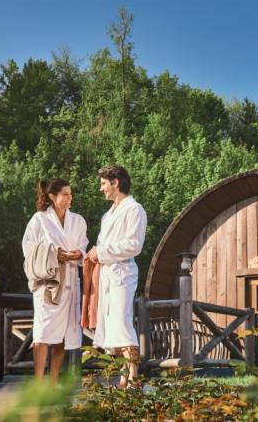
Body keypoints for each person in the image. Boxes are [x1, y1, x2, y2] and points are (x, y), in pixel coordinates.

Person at [86, 165, 147, 388]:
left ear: (116, 183)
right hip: (106, 276)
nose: (101, 188)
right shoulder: (107, 215)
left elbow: (134, 245)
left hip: (122, 274)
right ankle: (123, 377)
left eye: (103, 184)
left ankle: (134, 376)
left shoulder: (134, 210)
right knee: (112, 328)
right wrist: (95, 253)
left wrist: (101, 252)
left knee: (122, 323)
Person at [22, 178, 87, 384]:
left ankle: (53, 381)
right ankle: (39, 382)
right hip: (48, 283)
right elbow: (28, 249)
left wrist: (79, 254)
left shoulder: (78, 221)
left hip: (70, 282)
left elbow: (83, 245)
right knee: (42, 333)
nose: (70, 198)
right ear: (52, 196)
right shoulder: (39, 219)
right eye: (65, 194)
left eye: (70, 194)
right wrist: (53, 254)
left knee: (62, 335)